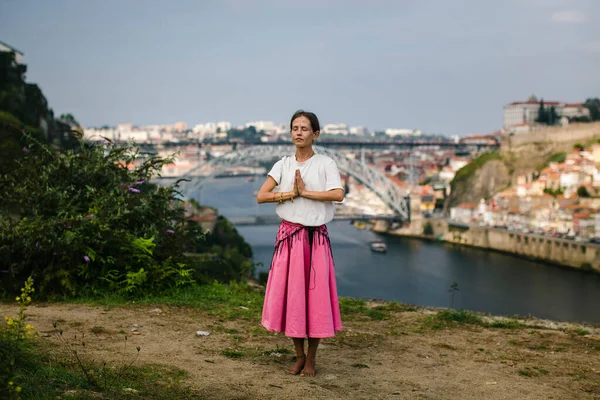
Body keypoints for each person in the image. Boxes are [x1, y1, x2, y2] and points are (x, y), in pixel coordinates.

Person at [256, 110, 344, 377]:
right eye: (295, 128)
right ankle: (299, 355)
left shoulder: (325, 164)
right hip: (290, 239)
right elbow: (262, 196)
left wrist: (305, 192)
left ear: (315, 134)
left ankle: (312, 360)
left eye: (304, 128)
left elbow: (338, 194)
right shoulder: (282, 165)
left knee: (315, 300)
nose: (298, 132)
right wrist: (290, 194)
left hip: (315, 238)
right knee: (293, 299)